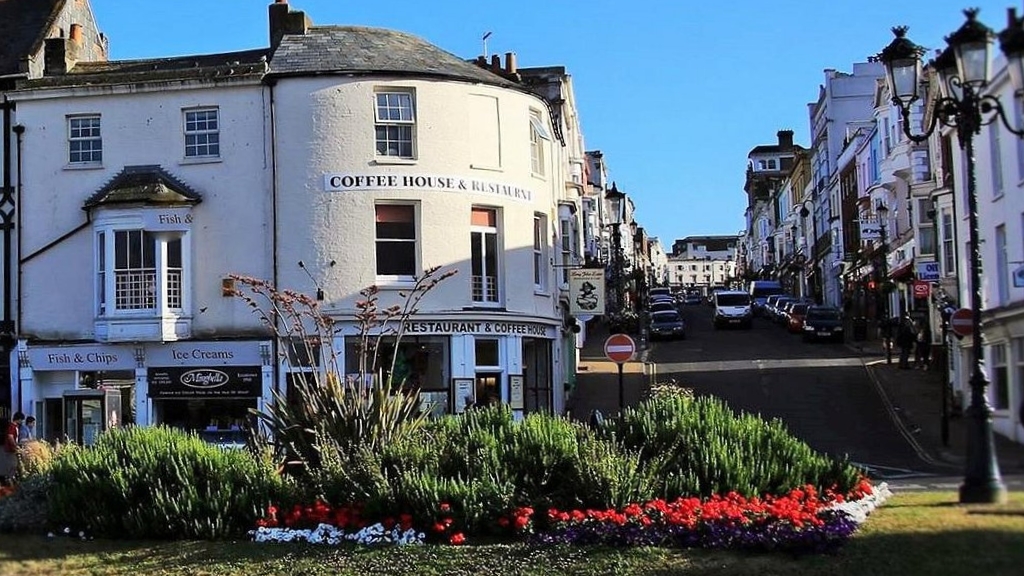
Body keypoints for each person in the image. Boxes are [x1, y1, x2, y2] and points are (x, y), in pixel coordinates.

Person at [1, 412, 23, 486]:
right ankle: (9, 480)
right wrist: (15, 446)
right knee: (13, 464)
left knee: (14, 465)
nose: (22, 421)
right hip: (10, 449)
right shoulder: (12, 426)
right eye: (21, 420)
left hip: (12, 449)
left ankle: (10, 479)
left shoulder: (15, 426)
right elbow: (10, 437)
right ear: (18, 419)